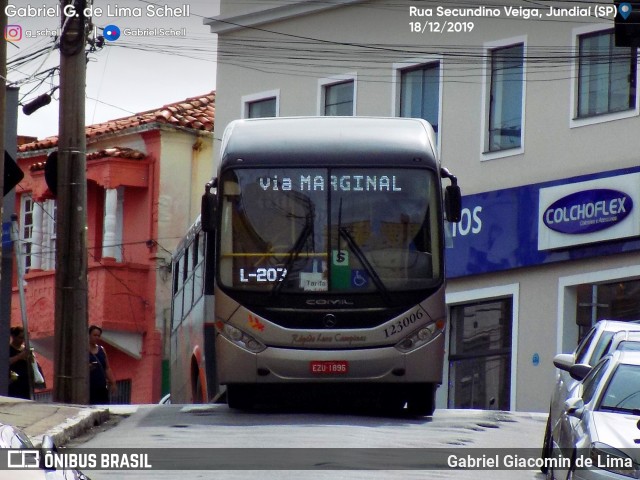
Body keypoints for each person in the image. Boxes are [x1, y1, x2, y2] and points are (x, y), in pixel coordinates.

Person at [89, 325, 117, 404]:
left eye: (98, 336)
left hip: (101, 386)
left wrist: (113, 382)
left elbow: (107, 368)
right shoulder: (83, 349)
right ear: (89, 335)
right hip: (89, 387)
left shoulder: (101, 349)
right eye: (94, 335)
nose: (97, 337)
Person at [9, 326, 31, 399]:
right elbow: (5, 363)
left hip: (25, 384)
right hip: (14, 383)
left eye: (23, 338)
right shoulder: (9, 349)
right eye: (20, 338)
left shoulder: (25, 349)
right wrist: (19, 356)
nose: (22, 340)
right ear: (13, 337)